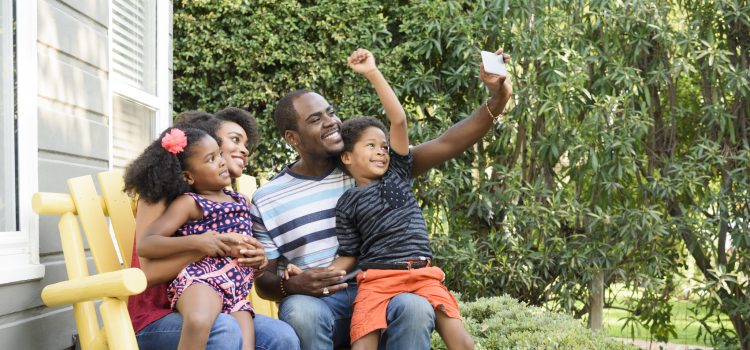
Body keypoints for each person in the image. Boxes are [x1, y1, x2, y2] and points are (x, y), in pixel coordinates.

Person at [250, 48, 512, 349]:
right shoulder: (268, 198)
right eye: (315, 119)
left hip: (387, 289)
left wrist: (498, 98)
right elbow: (265, 281)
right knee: (299, 309)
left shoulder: (374, 166)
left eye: (331, 112)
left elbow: (448, 141)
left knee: (415, 306)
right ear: (293, 138)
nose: (330, 121)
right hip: (323, 305)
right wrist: (293, 283)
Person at [126, 110, 300, 350]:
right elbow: (146, 274)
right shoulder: (162, 193)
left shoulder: (232, 201)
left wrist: (257, 262)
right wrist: (206, 245)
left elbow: (232, 266)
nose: (244, 150)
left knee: (281, 337)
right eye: (234, 139)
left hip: (224, 303)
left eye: (246, 143)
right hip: (157, 316)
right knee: (224, 328)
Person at [126, 126, 257, 350]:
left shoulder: (242, 200)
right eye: (211, 159)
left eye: (219, 154)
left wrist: (257, 257)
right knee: (200, 320)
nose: (222, 161)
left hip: (237, 288)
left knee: (250, 344)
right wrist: (200, 242)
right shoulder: (190, 202)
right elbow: (147, 244)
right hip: (204, 278)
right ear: (188, 176)